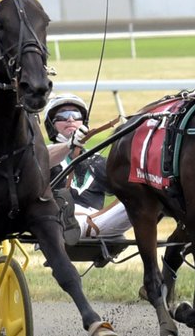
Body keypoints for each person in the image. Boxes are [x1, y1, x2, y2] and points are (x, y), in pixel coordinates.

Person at [43, 93, 131, 239]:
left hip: (98, 222)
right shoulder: (43, 154)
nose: (70, 119)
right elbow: (43, 159)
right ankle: (71, 228)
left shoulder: (98, 160)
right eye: (63, 115)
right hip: (58, 221)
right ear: (51, 124)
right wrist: (69, 145)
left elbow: (124, 188)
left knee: (143, 201)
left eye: (76, 115)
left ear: (84, 122)